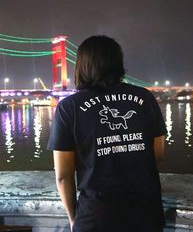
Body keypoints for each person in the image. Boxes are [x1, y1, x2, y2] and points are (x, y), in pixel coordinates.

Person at [47, 35, 167, 232]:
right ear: (118, 63)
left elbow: (63, 175)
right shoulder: (145, 98)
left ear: (81, 66)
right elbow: (158, 154)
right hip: (146, 212)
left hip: (96, 217)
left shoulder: (69, 107)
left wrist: (73, 219)